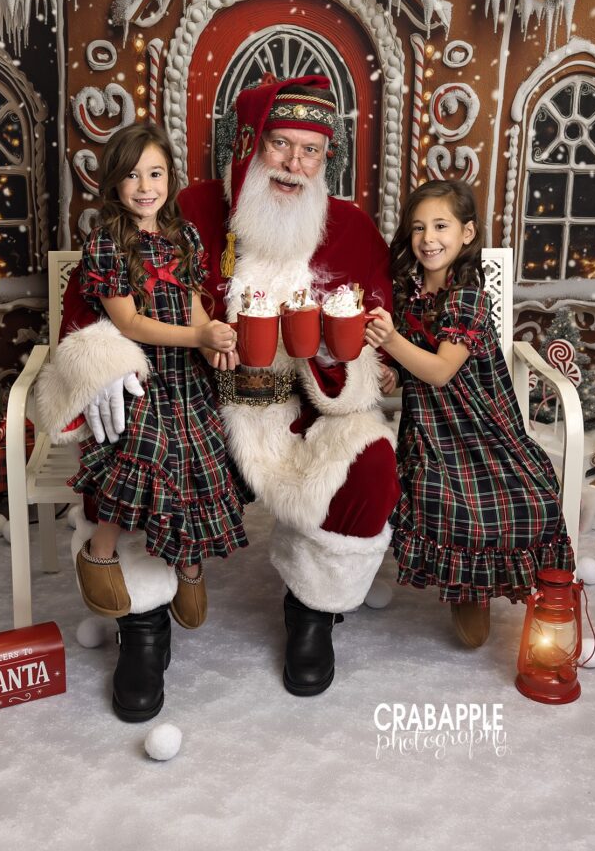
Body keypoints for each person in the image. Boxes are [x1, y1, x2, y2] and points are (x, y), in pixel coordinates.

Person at [43, 73, 400, 705]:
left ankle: (314, 611)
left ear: (326, 159)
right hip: (198, 402)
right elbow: (93, 310)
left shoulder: (350, 231)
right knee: (143, 456)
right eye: (280, 145)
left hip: (304, 412)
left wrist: (352, 359)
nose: (294, 164)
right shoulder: (190, 211)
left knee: (369, 462)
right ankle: (145, 623)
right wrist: (103, 362)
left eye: (311, 150)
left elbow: (375, 338)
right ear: (251, 144)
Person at [40, 123, 248, 722]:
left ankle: (187, 563)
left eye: (155, 173)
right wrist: (195, 335)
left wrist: (212, 338)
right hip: (136, 374)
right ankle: (99, 551)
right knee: (142, 450)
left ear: (170, 180)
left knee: (201, 464)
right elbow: (129, 323)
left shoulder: (183, 237)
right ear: (114, 182)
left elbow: (193, 304)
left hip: (188, 375)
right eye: (132, 174)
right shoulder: (106, 242)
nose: (144, 186)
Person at [364, 179, 574, 648]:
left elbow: (440, 370)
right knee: (440, 494)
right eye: (418, 228)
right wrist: (395, 371)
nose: (427, 238)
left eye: (441, 225)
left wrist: (391, 341)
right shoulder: (409, 291)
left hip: (481, 423)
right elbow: (416, 359)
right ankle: (467, 587)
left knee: (521, 496)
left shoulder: (468, 297)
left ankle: (485, 586)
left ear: (467, 233)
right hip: (432, 428)